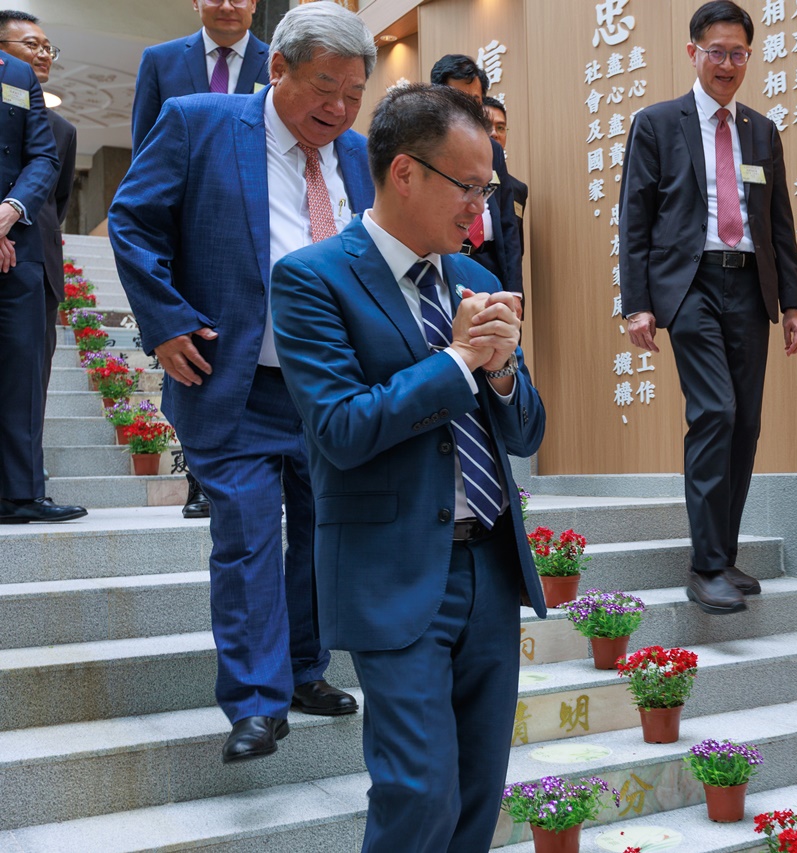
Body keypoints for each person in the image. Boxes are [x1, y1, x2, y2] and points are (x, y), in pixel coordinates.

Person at [271, 83, 546, 853]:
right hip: (391, 571)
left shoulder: (477, 281)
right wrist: (457, 360)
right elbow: (340, 428)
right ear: (404, 173)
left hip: (489, 565)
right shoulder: (312, 278)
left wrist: (500, 373)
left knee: (477, 795)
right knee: (418, 793)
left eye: (487, 190)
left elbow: (526, 430)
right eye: (469, 188)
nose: (481, 212)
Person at [109, 2, 373, 763]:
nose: (338, 109)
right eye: (324, 86)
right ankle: (256, 702)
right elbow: (132, 221)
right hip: (234, 380)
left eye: (354, 93)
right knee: (249, 536)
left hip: (329, 387)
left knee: (321, 536)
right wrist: (165, 321)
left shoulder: (357, 154)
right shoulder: (200, 122)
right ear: (277, 67)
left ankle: (305, 670)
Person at [619, 0, 797, 616]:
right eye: (716, 52)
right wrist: (637, 304)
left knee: (745, 421)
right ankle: (704, 566)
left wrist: (794, 302)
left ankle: (723, 555)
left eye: (738, 53)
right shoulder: (657, 124)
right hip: (690, 284)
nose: (727, 64)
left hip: (750, 286)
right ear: (693, 52)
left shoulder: (761, 131)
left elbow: (779, 223)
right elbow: (635, 219)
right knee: (715, 412)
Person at [130, 0, 270, 519]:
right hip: (191, 236)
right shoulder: (161, 60)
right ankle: (200, 477)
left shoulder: (278, 59)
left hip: (262, 231)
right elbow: (145, 153)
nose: (228, 4)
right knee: (192, 354)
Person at [0, 35, 85, 524]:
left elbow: (45, 161)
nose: (43, 53)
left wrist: (9, 215)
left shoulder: (16, 76)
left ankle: (20, 492)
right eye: (31, 42)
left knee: (24, 374)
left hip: (20, 247)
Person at [430, 54, 523, 300]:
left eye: (474, 101)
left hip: (490, 260)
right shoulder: (427, 147)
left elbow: (508, 222)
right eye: (457, 98)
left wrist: (515, 291)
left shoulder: (493, 150)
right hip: (446, 261)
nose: (467, 108)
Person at [131, 0, 269, 152]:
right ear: (196, 3)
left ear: (253, 4)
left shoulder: (276, 65)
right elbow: (143, 146)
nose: (227, 7)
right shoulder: (159, 60)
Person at [482, 95, 527, 258]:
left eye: (500, 128)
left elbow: (515, 247)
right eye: (487, 126)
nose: (494, 133)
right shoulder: (456, 179)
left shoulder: (518, 189)